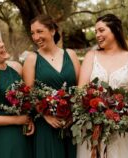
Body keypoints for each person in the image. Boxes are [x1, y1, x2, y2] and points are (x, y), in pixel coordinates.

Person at [77, 13, 128, 158]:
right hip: (92, 124)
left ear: (115, 30)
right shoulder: (91, 56)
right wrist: (95, 114)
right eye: (96, 32)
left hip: (121, 127)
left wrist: (117, 116)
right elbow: (81, 90)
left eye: (101, 30)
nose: (97, 35)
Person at [23, 14, 80, 158]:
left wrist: (74, 114)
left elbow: (81, 87)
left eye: (40, 31)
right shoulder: (32, 59)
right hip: (47, 126)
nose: (36, 37)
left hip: (73, 123)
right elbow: (29, 93)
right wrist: (46, 115)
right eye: (33, 33)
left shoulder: (70, 54)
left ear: (52, 31)